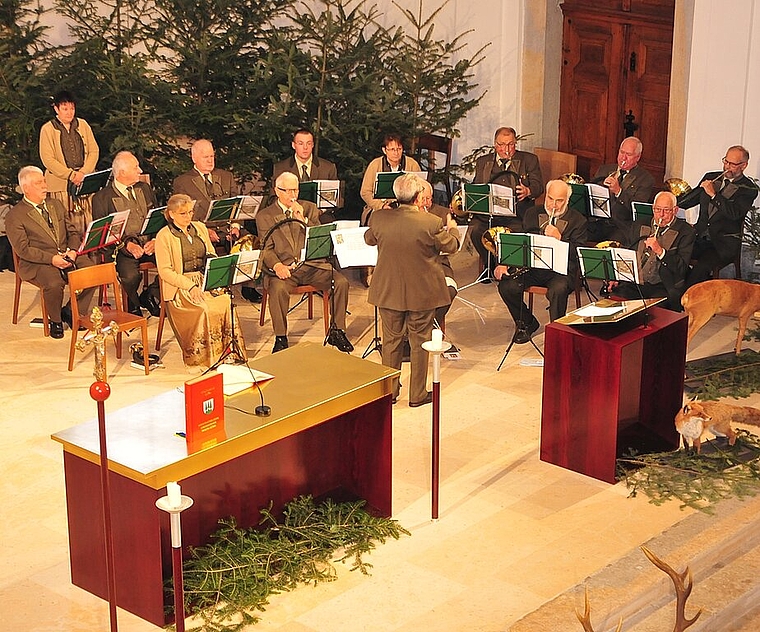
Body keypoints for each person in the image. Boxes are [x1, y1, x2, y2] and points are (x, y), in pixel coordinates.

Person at [364, 173, 460, 407]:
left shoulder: (379, 218)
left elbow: (369, 239)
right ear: (418, 198)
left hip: (388, 291)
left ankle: (389, 392)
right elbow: (453, 246)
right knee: (419, 342)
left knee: (391, 342)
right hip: (422, 292)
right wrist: (453, 228)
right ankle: (417, 395)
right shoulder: (430, 223)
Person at [256, 172, 353, 354]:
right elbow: (266, 249)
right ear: (277, 191)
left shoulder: (309, 208)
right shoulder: (265, 216)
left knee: (340, 282)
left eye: (296, 190)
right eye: (288, 190)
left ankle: (337, 330)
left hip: (311, 265)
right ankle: (281, 337)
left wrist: (304, 220)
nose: (293, 195)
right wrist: (277, 266)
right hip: (284, 268)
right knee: (277, 289)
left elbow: (320, 238)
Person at [154, 194, 247, 368]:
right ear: (171, 214)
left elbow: (210, 254)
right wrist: (190, 287)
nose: (188, 217)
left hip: (203, 280)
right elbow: (165, 272)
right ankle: (205, 358)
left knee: (225, 302)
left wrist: (216, 272)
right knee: (204, 309)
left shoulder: (200, 228)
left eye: (190, 212)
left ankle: (227, 353)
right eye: (183, 213)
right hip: (180, 287)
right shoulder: (164, 236)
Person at [6, 166, 95, 339]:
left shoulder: (56, 204)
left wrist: (74, 251)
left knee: (92, 272)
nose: (45, 186)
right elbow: (23, 249)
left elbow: (73, 232)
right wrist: (52, 259)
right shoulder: (15, 216)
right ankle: (55, 319)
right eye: (39, 183)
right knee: (54, 282)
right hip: (37, 261)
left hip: (66, 253)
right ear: (26, 188)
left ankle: (70, 311)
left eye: (44, 181)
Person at [494, 180, 588, 342]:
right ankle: (526, 322)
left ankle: (557, 331)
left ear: (567, 200)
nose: (554, 205)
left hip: (561, 271)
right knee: (506, 286)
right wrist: (505, 262)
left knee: (558, 290)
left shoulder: (578, 221)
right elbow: (520, 242)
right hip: (532, 267)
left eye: (559, 201)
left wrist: (560, 239)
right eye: (550, 199)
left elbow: (578, 254)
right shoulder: (532, 213)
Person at [92, 151, 160, 317]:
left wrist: (157, 239)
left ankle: (150, 294)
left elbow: (158, 216)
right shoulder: (102, 198)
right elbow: (104, 232)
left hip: (149, 243)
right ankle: (132, 302)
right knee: (130, 276)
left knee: (176, 261)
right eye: (135, 167)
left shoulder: (144, 188)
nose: (140, 171)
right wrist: (128, 245)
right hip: (122, 249)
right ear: (122, 172)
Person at [681, 145, 759, 287]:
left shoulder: (748, 189)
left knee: (702, 267)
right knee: (676, 255)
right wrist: (674, 202)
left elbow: (734, 214)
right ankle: (676, 295)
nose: (727, 167)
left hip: (722, 243)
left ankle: (687, 301)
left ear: (744, 165)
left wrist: (714, 195)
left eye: (733, 164)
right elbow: (692, 199)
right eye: (725, 161)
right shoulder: (711, 177)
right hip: (700, 237)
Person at [470, 127, 544, 271]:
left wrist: (528, 191)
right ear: (495, 144)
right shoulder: (483, 162)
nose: (506, 149)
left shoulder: (529, 160)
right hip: (489, 216)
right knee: (476, 232)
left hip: (517, 215)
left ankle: (508, 265)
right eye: (502, 144)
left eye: (510, 144)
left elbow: (539, 186)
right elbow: (476, 186)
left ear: (515, 143)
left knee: (517, 235)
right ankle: (490, 265)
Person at [610, 191, 695, 311]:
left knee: (654, 312)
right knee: (616, 303)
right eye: (658, 209)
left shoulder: (686, 231)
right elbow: (628, 251)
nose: (661, 215)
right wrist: (617, 276)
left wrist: (661, 252)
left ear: (675, 210)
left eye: (667, 210)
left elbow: (681, 268)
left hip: (663, 285)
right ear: (652, 208)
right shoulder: (639, 224)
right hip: (636, 282)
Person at [38, 90, 100, 234]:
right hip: (61, 185)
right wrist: (71, 175)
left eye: (72, 108)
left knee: (90, 223)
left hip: (85, 181)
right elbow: (48, 159)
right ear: (56, 109)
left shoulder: (82, 125)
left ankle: (91, 255)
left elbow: (94, 151)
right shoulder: (48, 129)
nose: (69, 112)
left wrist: (84, 172)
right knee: (68, 224)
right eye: (65, 109)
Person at [589, 136, 655, 242]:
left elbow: (637, 207)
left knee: (612, 245)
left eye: (628, 155)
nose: (623, 158)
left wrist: (618, 191)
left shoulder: (645, 179)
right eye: (621, 152)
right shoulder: (604, 170)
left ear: (638, 157)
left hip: (621, 226)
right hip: (598, 222)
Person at [272, 128, 338, 224]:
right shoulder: (281, 168)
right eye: (301, 143)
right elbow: (273, 197)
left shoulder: (328, 168)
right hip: (290, 216)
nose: (305, 147)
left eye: (308, 143)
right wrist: (291, 208)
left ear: (313, 145)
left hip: (321, 216)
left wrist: (319, 211)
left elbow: (335, 199)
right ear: (293, 145)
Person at [360, 133, 422, 222]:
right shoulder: (375, 165)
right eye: (392, 149)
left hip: (406, 208)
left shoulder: (412, 164)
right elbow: (365, 192)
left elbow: (420, 189)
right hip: (381, 207)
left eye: (399, 149)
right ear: (384, 150)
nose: (396, 153)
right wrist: (381, 206)